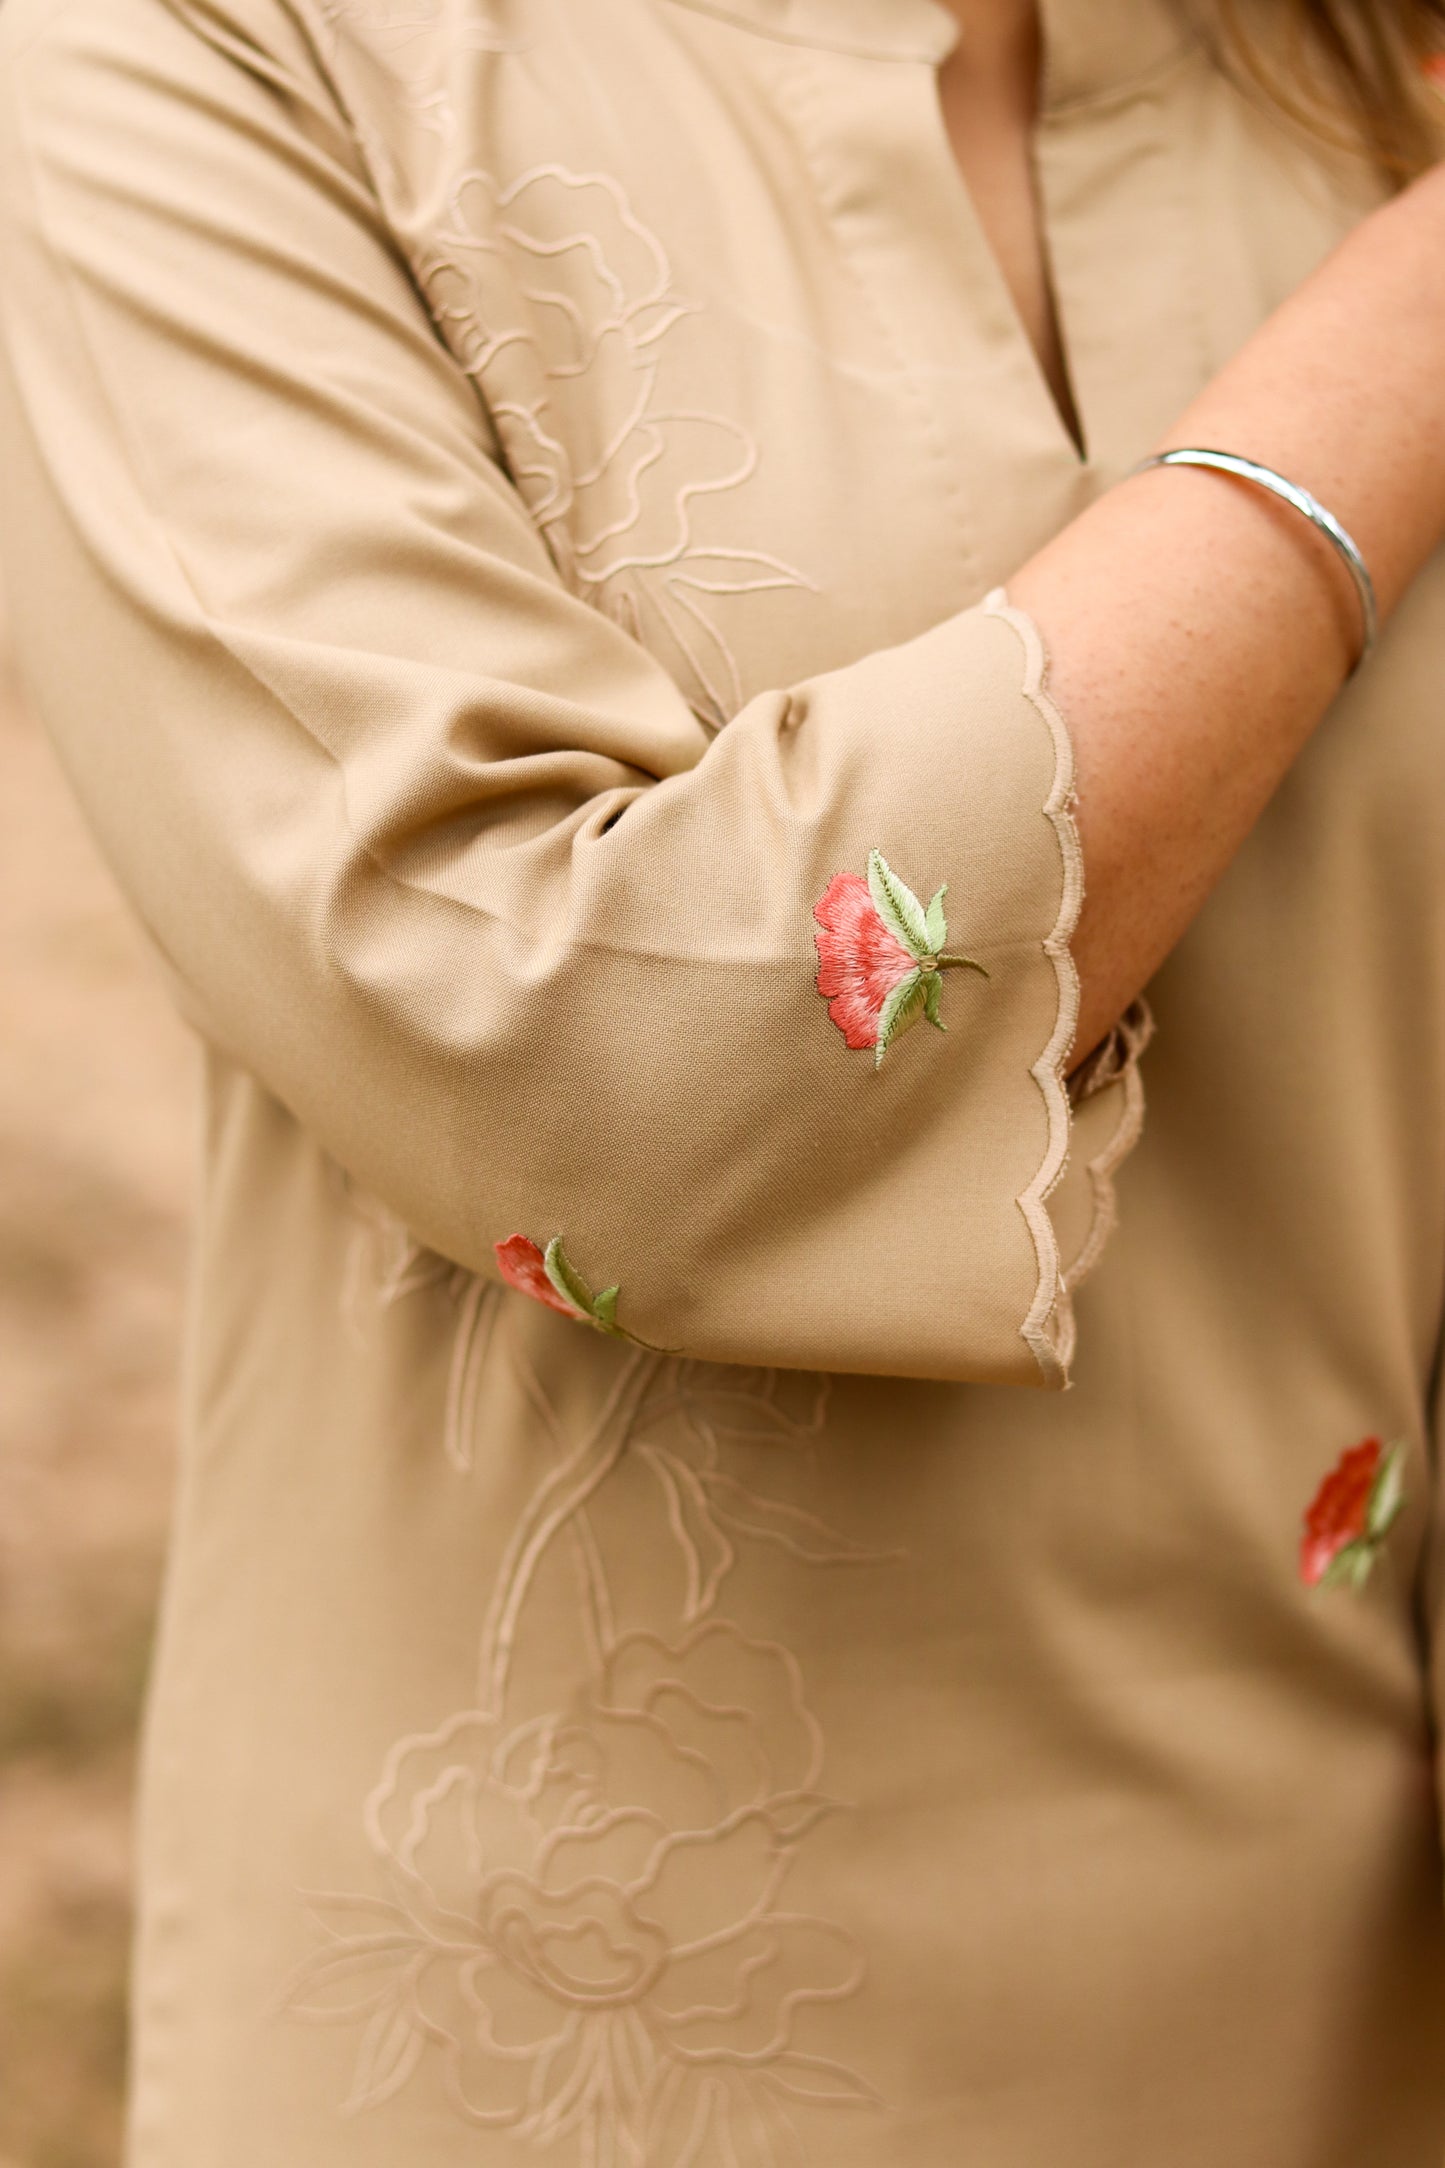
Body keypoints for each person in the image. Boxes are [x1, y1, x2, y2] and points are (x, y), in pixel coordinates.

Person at [1, 0, 1444, 2159]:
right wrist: (1398, 355)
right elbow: (587, 1074)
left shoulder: (1355, 66)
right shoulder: (203, 48)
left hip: (1335, 2003)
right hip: (572, 2063)